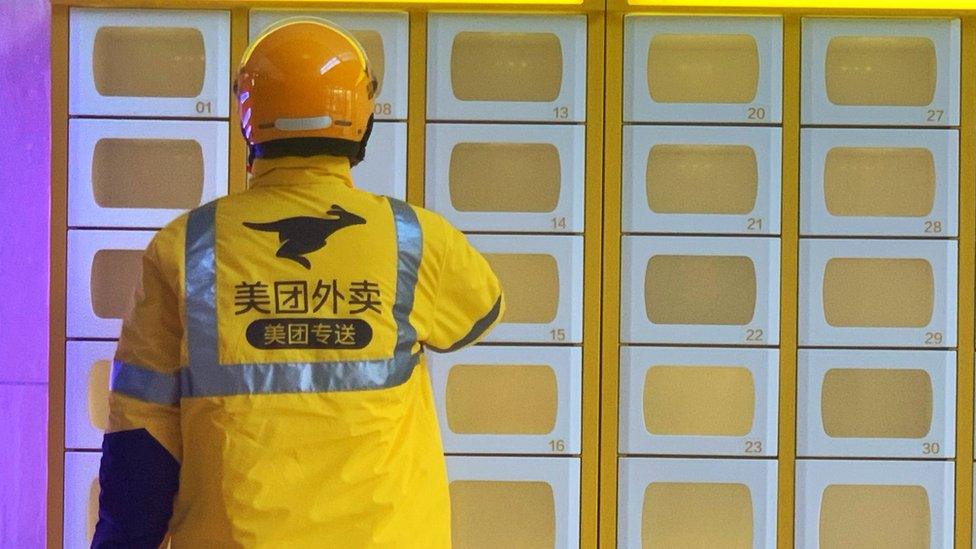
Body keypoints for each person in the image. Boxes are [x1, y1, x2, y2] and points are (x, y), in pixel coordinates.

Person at [92, 18, 504, 548]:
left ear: (249, 118)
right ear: (362, 120)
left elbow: (141, 431)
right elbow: (481, 312)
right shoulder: (415, 239)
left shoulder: (186, 246)